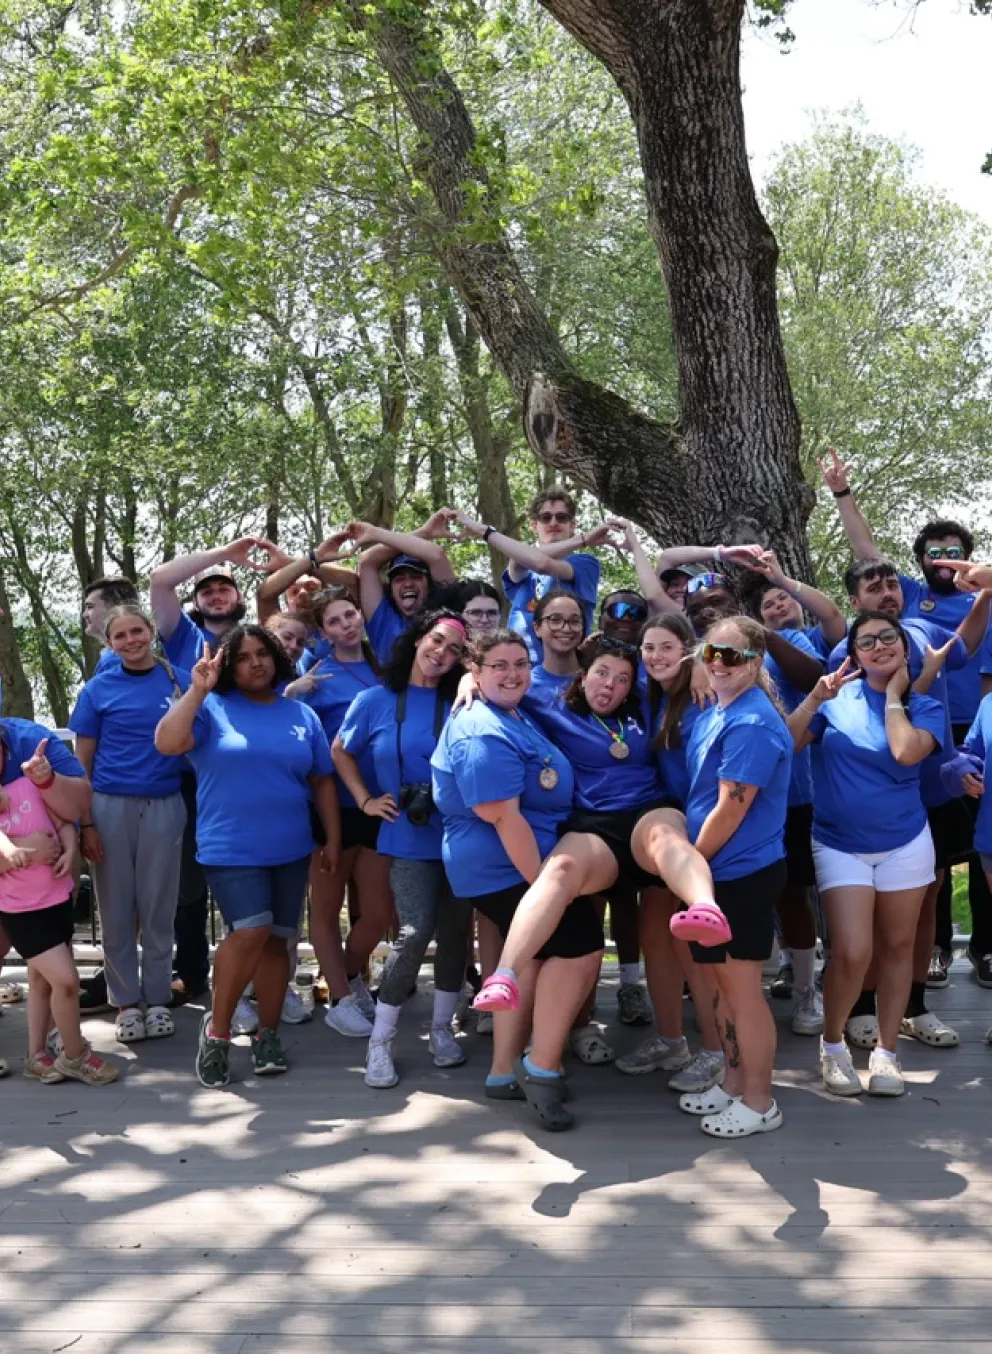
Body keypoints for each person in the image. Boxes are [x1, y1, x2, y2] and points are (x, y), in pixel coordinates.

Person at [472, 635, 721, 1087]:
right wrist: (463, 686)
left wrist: (700, 661)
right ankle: (504, 976)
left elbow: (683, 655)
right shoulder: (547, 705)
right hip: (594, 826)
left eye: (623, 678)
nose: (610, 685)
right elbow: (493, 681)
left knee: (668, 837)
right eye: (603, 673)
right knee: (560, 870)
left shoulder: (646, 705)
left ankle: (704, 906)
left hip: (648, 812)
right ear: (583, 675)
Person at [823, 448, 992, 989]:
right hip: (898, 757)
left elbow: (966, 648)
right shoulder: (896, 615)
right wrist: (843, 493)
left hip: (958, 742)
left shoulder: (956, 610)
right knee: (905, 890)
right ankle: (904, 979)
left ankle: (934, 982)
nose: (944, 557)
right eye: (933, 551)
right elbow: (866, 552)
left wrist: (984, 587)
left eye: (954, 551)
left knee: (948, 869)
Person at [154, 625, 340, 1089]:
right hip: (230, 846)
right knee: (251, 929)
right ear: (229, 665)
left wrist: (333, 838)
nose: (255, 663)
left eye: (263, 654)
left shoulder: (301, 714)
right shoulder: (210, 709)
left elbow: (321, 780)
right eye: (243, 657)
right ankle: (217, 1032)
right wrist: (198, 689)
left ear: (277, 658)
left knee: (278, 942)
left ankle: (267, 1034)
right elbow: (167, 743)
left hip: (291, 846)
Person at [432, 629, 603, 1129]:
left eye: (519, 664)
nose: (512, 674)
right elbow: (504, 818)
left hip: (519, 863)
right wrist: (542, 892)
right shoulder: (482, 731)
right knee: (581, 947)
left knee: (527, 958)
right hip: (504, 867)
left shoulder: (510, 709)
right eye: (498, 666)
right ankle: (539, 1067)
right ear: (479, 672)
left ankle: (503, 1073)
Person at [828, 556, 989, 1050]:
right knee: (871, 914)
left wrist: (986, 594)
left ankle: (914, 1006)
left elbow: (964, 646)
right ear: (855, 603)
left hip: (934, 791)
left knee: (925, 904)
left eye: (893, 584)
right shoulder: (847, 652)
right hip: (876, 799)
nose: (887, 593)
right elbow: (871, 720)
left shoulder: (920, 630)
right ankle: (862, 1006)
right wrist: (918, 681)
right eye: (873, 588)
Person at [793, 613, 944, 1096]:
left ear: (903, 646)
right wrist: (816, 697)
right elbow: (787, 743)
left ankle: (886, 1053)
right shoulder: (833, 699)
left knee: (899, 948)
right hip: (839, 843)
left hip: (906, 842)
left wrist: (896, 697)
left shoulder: (924, 704)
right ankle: (833, 1045)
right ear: (853, 654)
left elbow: (904, 751)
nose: (879, 646)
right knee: (854, 951)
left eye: (888, 638)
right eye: (866, 641)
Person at [332, 610, 471, 1089]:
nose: (442, 653)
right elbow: (340, 750)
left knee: (456, 932)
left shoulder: (463, 698)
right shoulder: (374, 700)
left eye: (454, 650)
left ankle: (441, 1029)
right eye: (437, 641)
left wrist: (471, 679)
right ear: (416, 640)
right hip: (407, 835)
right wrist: (365, 799)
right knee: (413, 932)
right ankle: (382, 1040)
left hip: (461, 831)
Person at [151, 537, 274, 1005]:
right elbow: (161, 579)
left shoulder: (255, 642)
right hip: (187, 777)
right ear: (196, 602)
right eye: (208, 590)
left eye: (226, 588)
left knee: (250, 882)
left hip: (244, 777)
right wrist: (225, 553)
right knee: (188, 884)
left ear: (240, 599)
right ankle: (193, 974)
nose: (217, 594)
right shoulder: (183, 637)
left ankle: (256, 983)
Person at [736, 550, 850, 1035]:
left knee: (795, 893)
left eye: (784, 600)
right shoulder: (736, 650)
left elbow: (810, 677)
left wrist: (768, 633)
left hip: (800, 793)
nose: (777, 607)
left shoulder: (805, 642)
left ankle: (809, 990)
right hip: (745, 790)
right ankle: (782, 969)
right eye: (767, 606)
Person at [615, 614, 726, 1095]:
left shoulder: (707, 690)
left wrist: (703, 660)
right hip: (665, 825)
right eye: (648, 648)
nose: (655, 656)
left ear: (687, 647)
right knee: (653, 936)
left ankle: (717, 1050)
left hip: (709, 833)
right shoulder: (649, 691)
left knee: (693, 946)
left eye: (666, 647)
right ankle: (670, 1038)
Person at [69, 606, 190, 1044]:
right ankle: (124, 1003)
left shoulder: (180, 679)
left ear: (151, 631)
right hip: (109, 806)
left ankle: (157, 999)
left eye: (137, 630)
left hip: (165, 802)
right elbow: (81, 763)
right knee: (116, 908)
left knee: (159, 905)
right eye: (119, 636)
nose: (131, 640)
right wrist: (86, 824)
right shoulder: (98, 689)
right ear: (109, 644)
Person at [286, 587, 390, 1039]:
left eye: (351, 614)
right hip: (332, 806)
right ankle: (344, 1000)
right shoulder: (317, 674)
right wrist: (294, 690)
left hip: (381, 802)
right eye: (335, 621)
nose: (347, 624)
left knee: (379, 912)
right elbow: (291, 729)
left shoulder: (386, 666)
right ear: (323, 632)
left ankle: (343, 977)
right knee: (326, 909)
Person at [0, 715, 116, 1084]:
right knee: (67, 982)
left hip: (55, 896)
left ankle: (36, 1055)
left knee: (41, 981)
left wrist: (68, 850)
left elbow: (65, 819)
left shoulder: (26, 780)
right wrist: (18, 850)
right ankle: (75, 1053)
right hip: (20, 909)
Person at [457, 490, 609, 662]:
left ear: (572, 525)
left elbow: (543, 564)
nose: (553, 523)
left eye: (561, 517)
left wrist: (485, 532)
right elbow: (521, 562)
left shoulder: (585, 564)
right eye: (545, 517)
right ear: (534, 525)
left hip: (564, 671)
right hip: (514, 666)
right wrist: (583, 539)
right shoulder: (522, 565)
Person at [597, 589, 653, 1027]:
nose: (625, 617)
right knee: (591, 901)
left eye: (635, 612)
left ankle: (633, 986)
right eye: (615, 609)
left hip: (646, 807)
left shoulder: (651, 673)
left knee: (634, 906)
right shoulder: (582, 667)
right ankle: (580, 1002)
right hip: (588, 812)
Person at [354, 514, 458, 663]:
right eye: (399, 579)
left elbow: (437, 556)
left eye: (416, 577)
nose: (408, 583)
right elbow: (367, 561)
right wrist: (423, 532)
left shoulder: (444, 616)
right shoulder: (382, 621)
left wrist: (377, 534)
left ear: (428, 583)